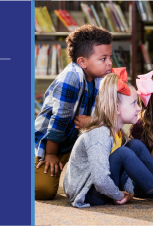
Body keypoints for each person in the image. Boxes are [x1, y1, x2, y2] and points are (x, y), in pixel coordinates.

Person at [63, 69, 153, 208]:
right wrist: (118, 195)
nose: (139, 108)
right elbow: (100, 180)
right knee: (124, 153)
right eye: (134, 103)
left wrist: (128, 192)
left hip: (105, 188)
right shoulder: (99, 133)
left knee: (135, 145)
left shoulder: (119, 133)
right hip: (89, 194)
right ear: (117, 108)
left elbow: (127, 168)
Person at [33, 24, 113, 200]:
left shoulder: (103, 77)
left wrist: (93, 121)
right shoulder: (70, 78)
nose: (109, 63)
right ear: (82, 62)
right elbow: (59, 121)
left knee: (111, 164)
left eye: (110, 57)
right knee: (42, 190)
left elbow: (113, 113)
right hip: (51, 144)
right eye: (103, 58)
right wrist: (51, 154)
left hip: (77, 143)